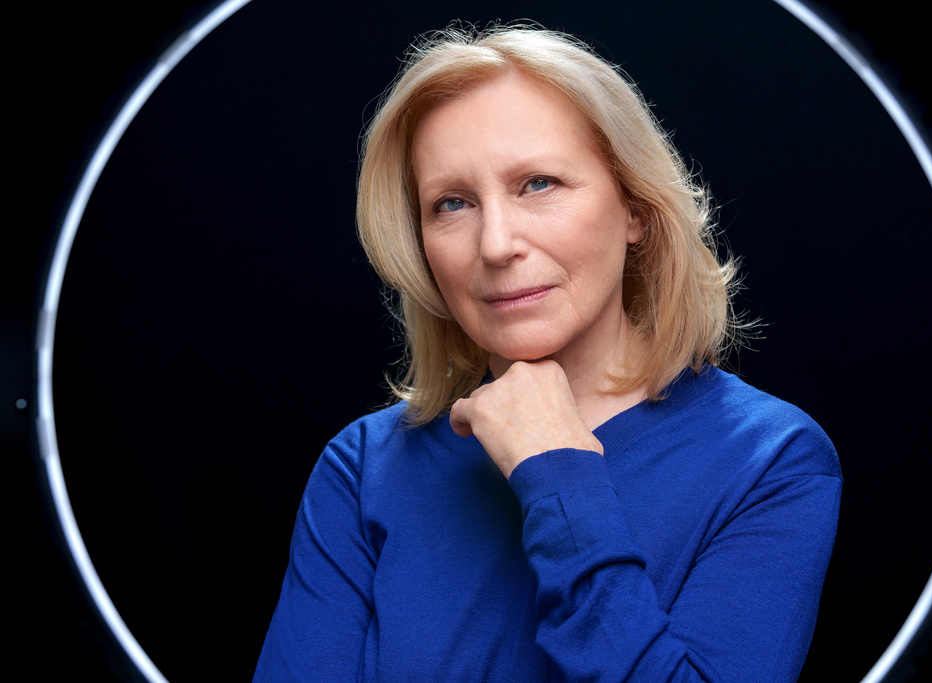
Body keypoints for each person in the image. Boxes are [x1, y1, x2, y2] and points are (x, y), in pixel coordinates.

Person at [255, 23, 841, 682]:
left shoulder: (771, 459)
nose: (495, 244)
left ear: (634, 208)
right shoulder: (364, 467)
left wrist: (556, 473)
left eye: (538, 183)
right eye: (452, 203)